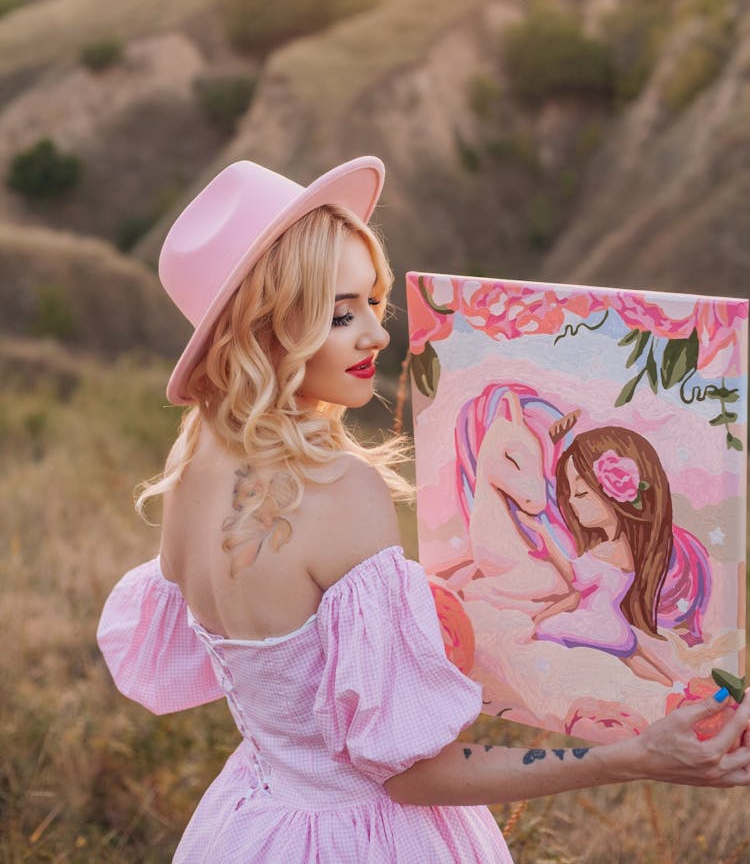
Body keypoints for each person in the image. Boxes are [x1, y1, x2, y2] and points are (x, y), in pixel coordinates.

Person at [97, 156, 750, 864]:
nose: (377, 335)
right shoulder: (342, 489)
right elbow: (414, 775)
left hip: (254, 826)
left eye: (375, 303)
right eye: (341, 312)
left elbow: (244, 665)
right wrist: (629, 756)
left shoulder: (192, 469)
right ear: (265, 326)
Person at [530, 426, 677, 685]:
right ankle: (672, 684)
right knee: (635, 659)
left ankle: (672, 684)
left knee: (551, 631)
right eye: (570, 494)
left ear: (616, 494)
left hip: (602, 624)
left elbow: (574, 578)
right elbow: (579, 595)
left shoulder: (613, 548)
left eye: (582, 493)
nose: (573, 504)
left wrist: (542, 536)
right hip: (609, 624)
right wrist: (547, 612)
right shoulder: (610, 545)